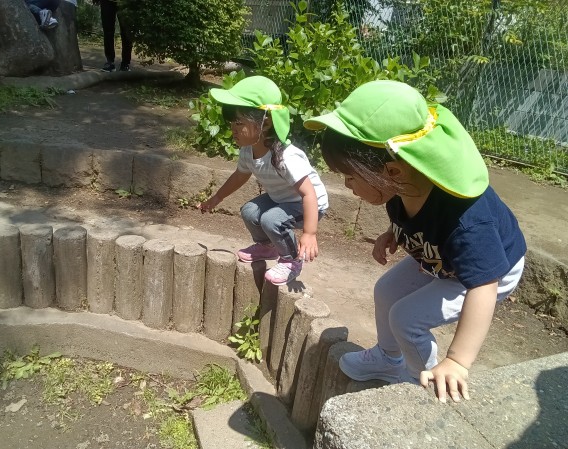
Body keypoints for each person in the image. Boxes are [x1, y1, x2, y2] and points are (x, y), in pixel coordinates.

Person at [303, 80, 526, 403]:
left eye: (350, 176)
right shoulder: (403, 184)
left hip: (491, 270)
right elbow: (414, 218)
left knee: (406, 318)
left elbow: (484, 285)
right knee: (386, 291)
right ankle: (388, 357)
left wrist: (458, 360)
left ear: (393, 172)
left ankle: (419, 383)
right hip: (443, 257)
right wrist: (393, 233)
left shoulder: (466, 220)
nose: (348, 185)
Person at [198, 76, 329, 286]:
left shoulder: (286, 157)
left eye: (239, 123)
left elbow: (309, 193)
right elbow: (239, 176)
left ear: (265, 123)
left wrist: (309, 233)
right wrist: (216, 198)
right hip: (282, 198)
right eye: (231, 122)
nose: (233, 128)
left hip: (311, 204)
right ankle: (267, 246)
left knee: (271, 220)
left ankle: (292, 260)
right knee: (249, 211)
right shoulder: (247, 151)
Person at [93, 0, 133, 72]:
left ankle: (125, 63)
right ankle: (110, 62)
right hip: (107, 1)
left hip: (124, 2)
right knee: (107, 30)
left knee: (126, 31)